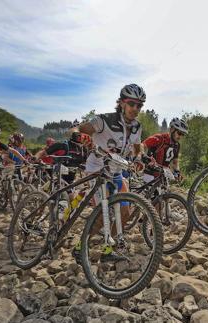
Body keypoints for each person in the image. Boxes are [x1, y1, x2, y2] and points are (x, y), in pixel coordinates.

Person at [74, 83, 147, 261]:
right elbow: (76, 129)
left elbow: (138, 148)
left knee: (125, 213)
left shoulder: (137, 127)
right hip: (97, 169)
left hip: (116, 171)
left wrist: (138, 160)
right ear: (121, 102)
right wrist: (81, 136)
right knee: (102, 213)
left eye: (139, 105)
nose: (135, 109)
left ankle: (108, 249)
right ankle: (79, 247)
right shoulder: (103, 120)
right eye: (132, 104)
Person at [142, 117, 187, 183]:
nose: (180, 136)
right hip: (150, 174)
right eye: (179, 133)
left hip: (163, 177)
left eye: (183, 134)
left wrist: (177, 171)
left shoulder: (177, 145)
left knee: (165, 193)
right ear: (172, 129)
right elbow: (142, 145)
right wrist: (144, 156)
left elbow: (175, 162)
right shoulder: (160, 138)